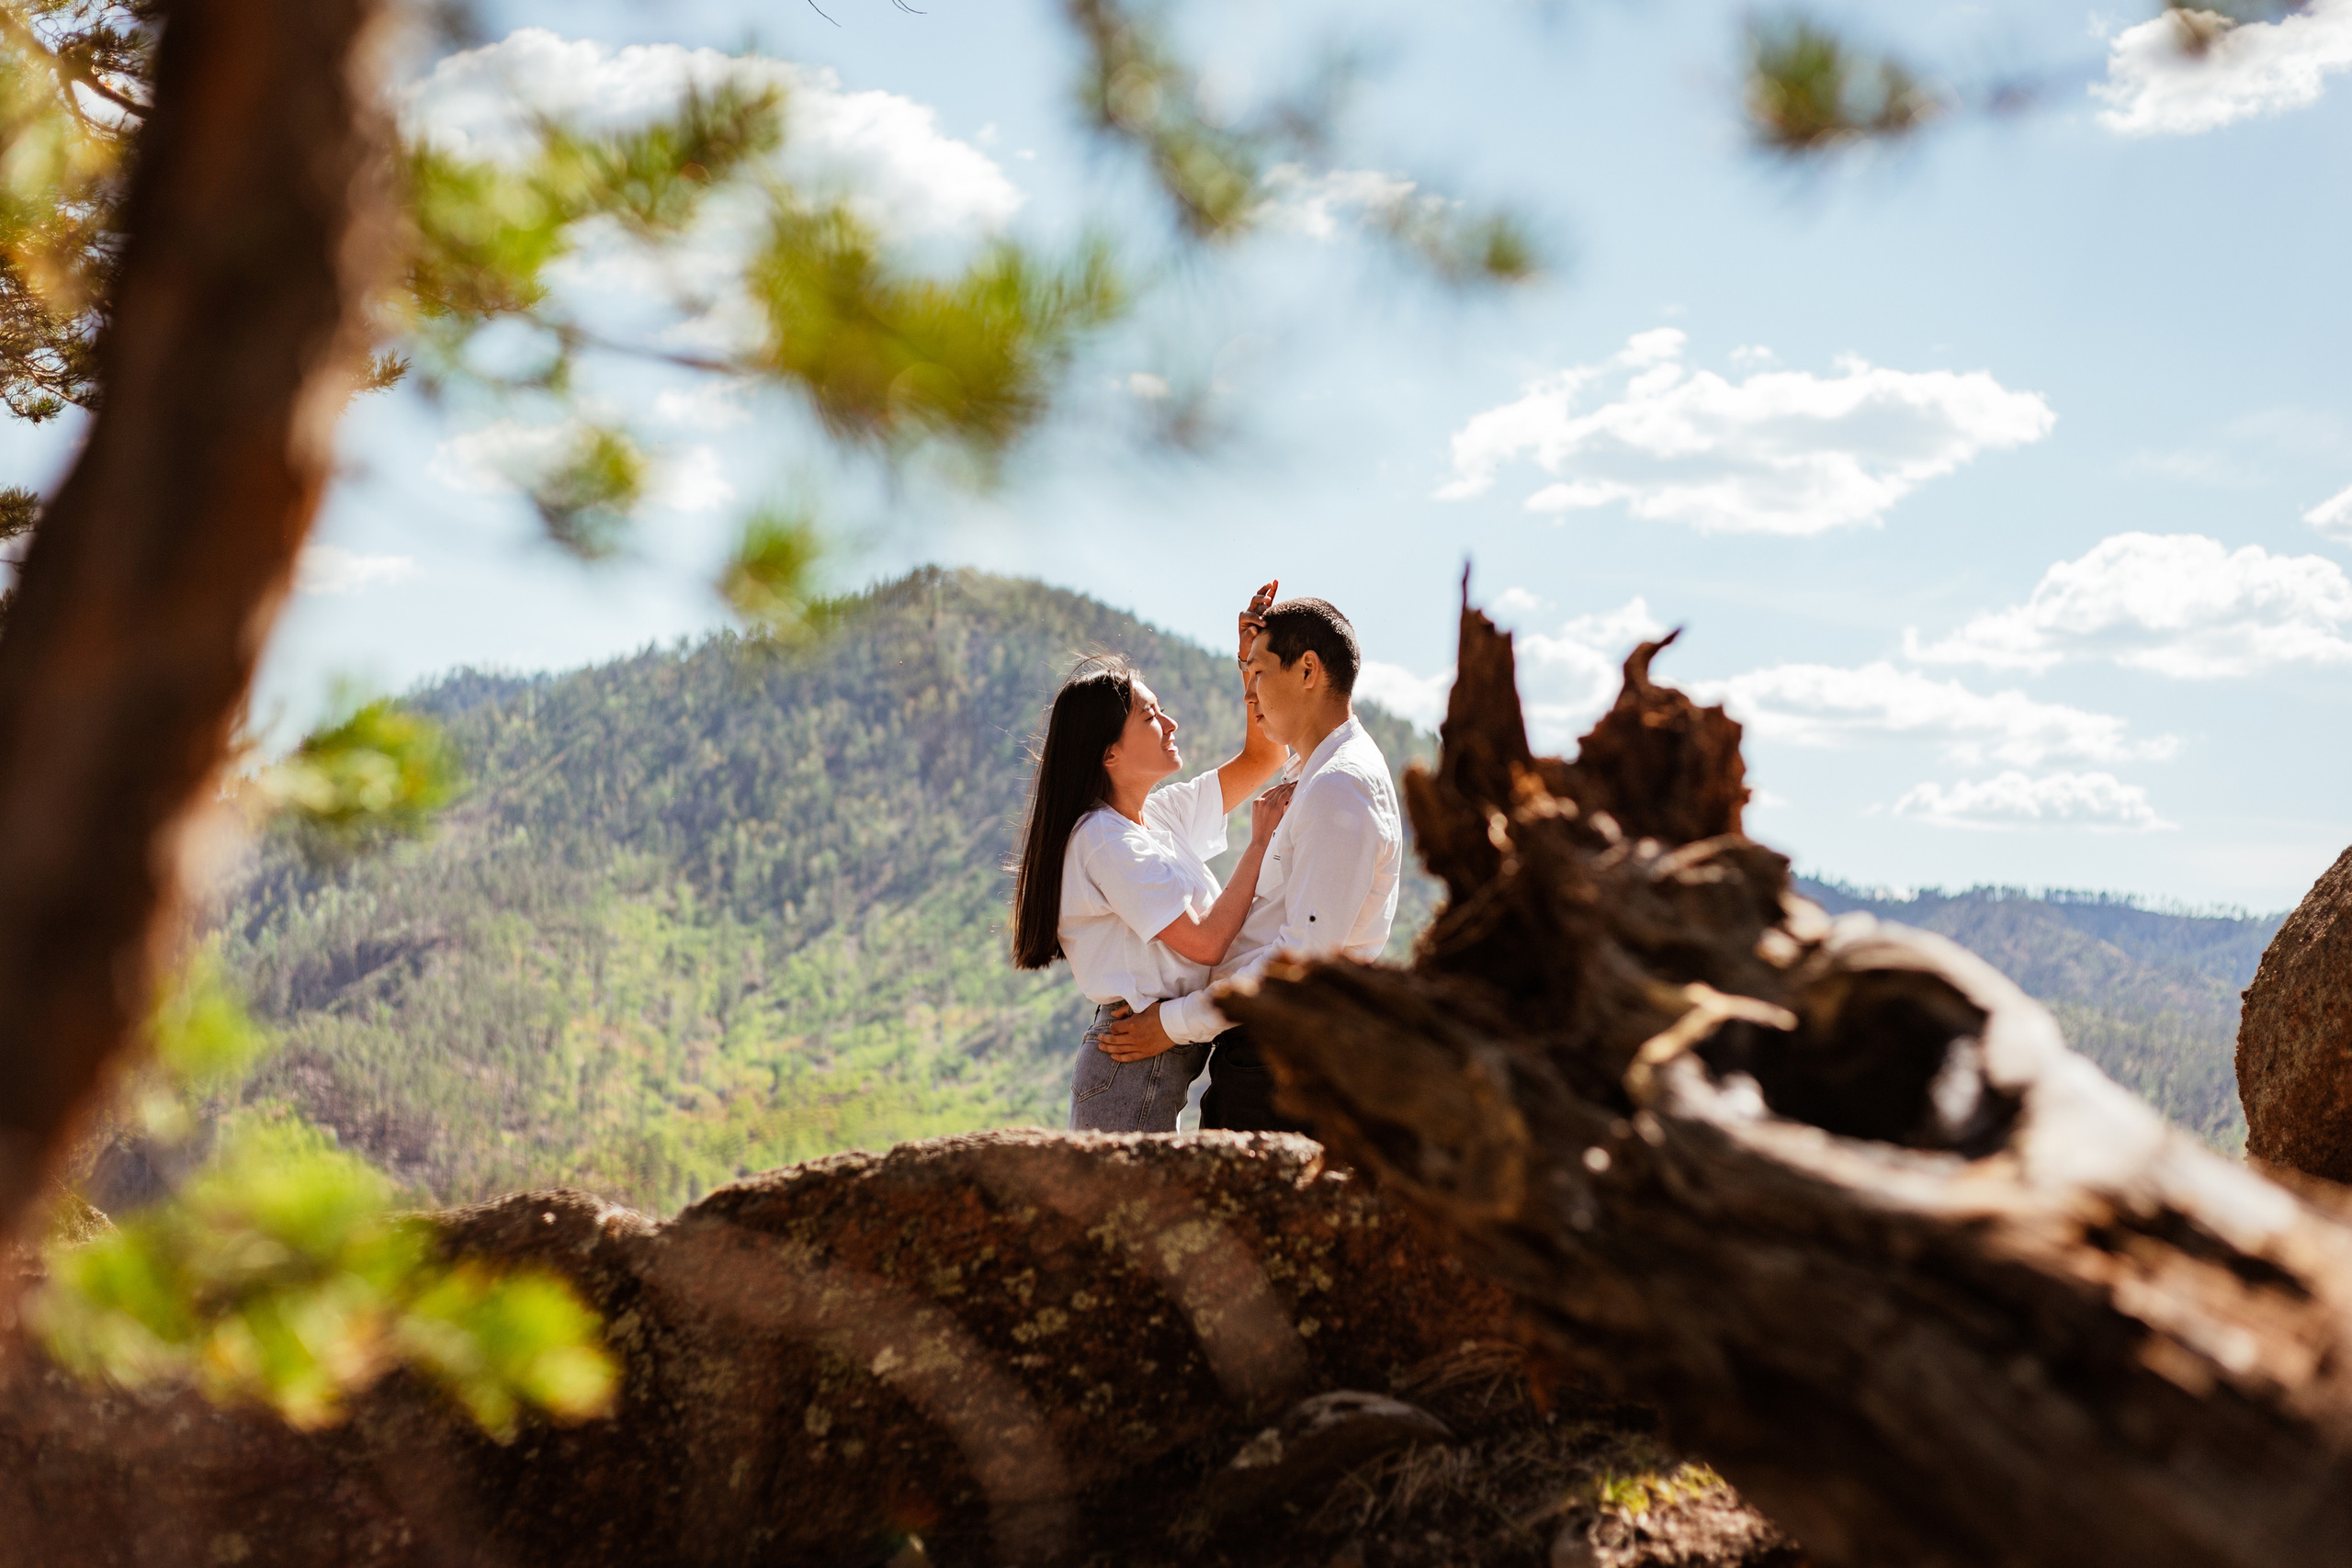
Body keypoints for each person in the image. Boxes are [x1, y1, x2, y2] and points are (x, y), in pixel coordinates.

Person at [1097, 595, 1401, 1134]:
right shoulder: (1317, 772)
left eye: (1260, 673)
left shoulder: (1339, 787)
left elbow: (1299, 962)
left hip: (1281, 1059)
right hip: (1266, 1051)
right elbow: (1261, 753)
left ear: (1308, 669)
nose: (1252, 692)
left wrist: (1171, 1025)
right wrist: (1250, 658)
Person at [1009, 586, 1293, 1132]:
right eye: (1150, 717)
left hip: (1161, 1050)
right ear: (1109, 753)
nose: (1171, 725)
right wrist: (1257, 846)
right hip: (1129, 1064)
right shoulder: (1103, 840)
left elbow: (1265, 757)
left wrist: (1252, 668)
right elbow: (1207, 941)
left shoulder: (1160, 817)